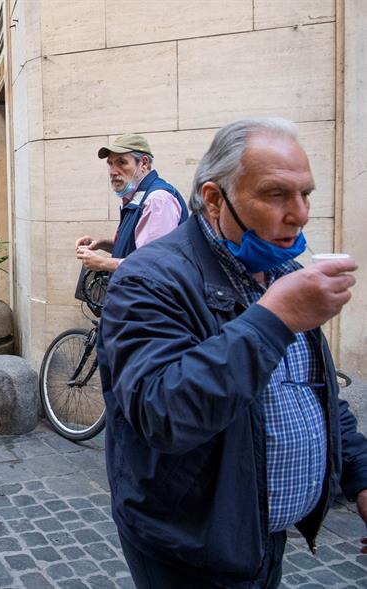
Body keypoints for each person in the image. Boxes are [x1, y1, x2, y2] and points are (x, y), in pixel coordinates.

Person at [97, 118, 367, 587]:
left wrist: (360, 474)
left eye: (306, 194)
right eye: (277, 194)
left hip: (261, 533)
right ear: (215, 198)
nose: (300, 214)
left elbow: (308, 386)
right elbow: (162, 412)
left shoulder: (284, 272)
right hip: (190, 543)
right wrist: (274, 320)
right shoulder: (148, 279)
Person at [75, 134, 188, 271]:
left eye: (121, 162)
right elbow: (138, 249)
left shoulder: (157, 200)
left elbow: (154, 265)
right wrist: (104, 244)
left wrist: (103, 263)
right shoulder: (138, 196)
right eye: (110, 164)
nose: (113, 172)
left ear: (144, 164)